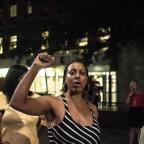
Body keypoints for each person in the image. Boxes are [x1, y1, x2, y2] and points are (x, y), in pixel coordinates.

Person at [10, 52, 101, 144]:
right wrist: (36, 67)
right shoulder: (54, 103)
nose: (77, 76)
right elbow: (17, 102)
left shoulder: (92, 109)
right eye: (72, 73)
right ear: (65, 78)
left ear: (86, 79)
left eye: (82, 73)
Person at [1, 64, 40, 144]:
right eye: (22, 78)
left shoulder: (37, 99)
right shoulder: (1, 97)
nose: (26, 81)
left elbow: (45, 123)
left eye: (28, 78)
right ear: (12, 80)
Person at [124, 80, 144, 144]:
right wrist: (129, 95)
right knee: (131, 129)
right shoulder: (130, 93)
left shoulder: (142, 93)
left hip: (140, 111)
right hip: (132, 110)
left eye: (134, 84)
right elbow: (126, 103)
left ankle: (139, 141)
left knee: (138, 129)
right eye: (131, 85)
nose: (132, 86)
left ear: (137, 85)